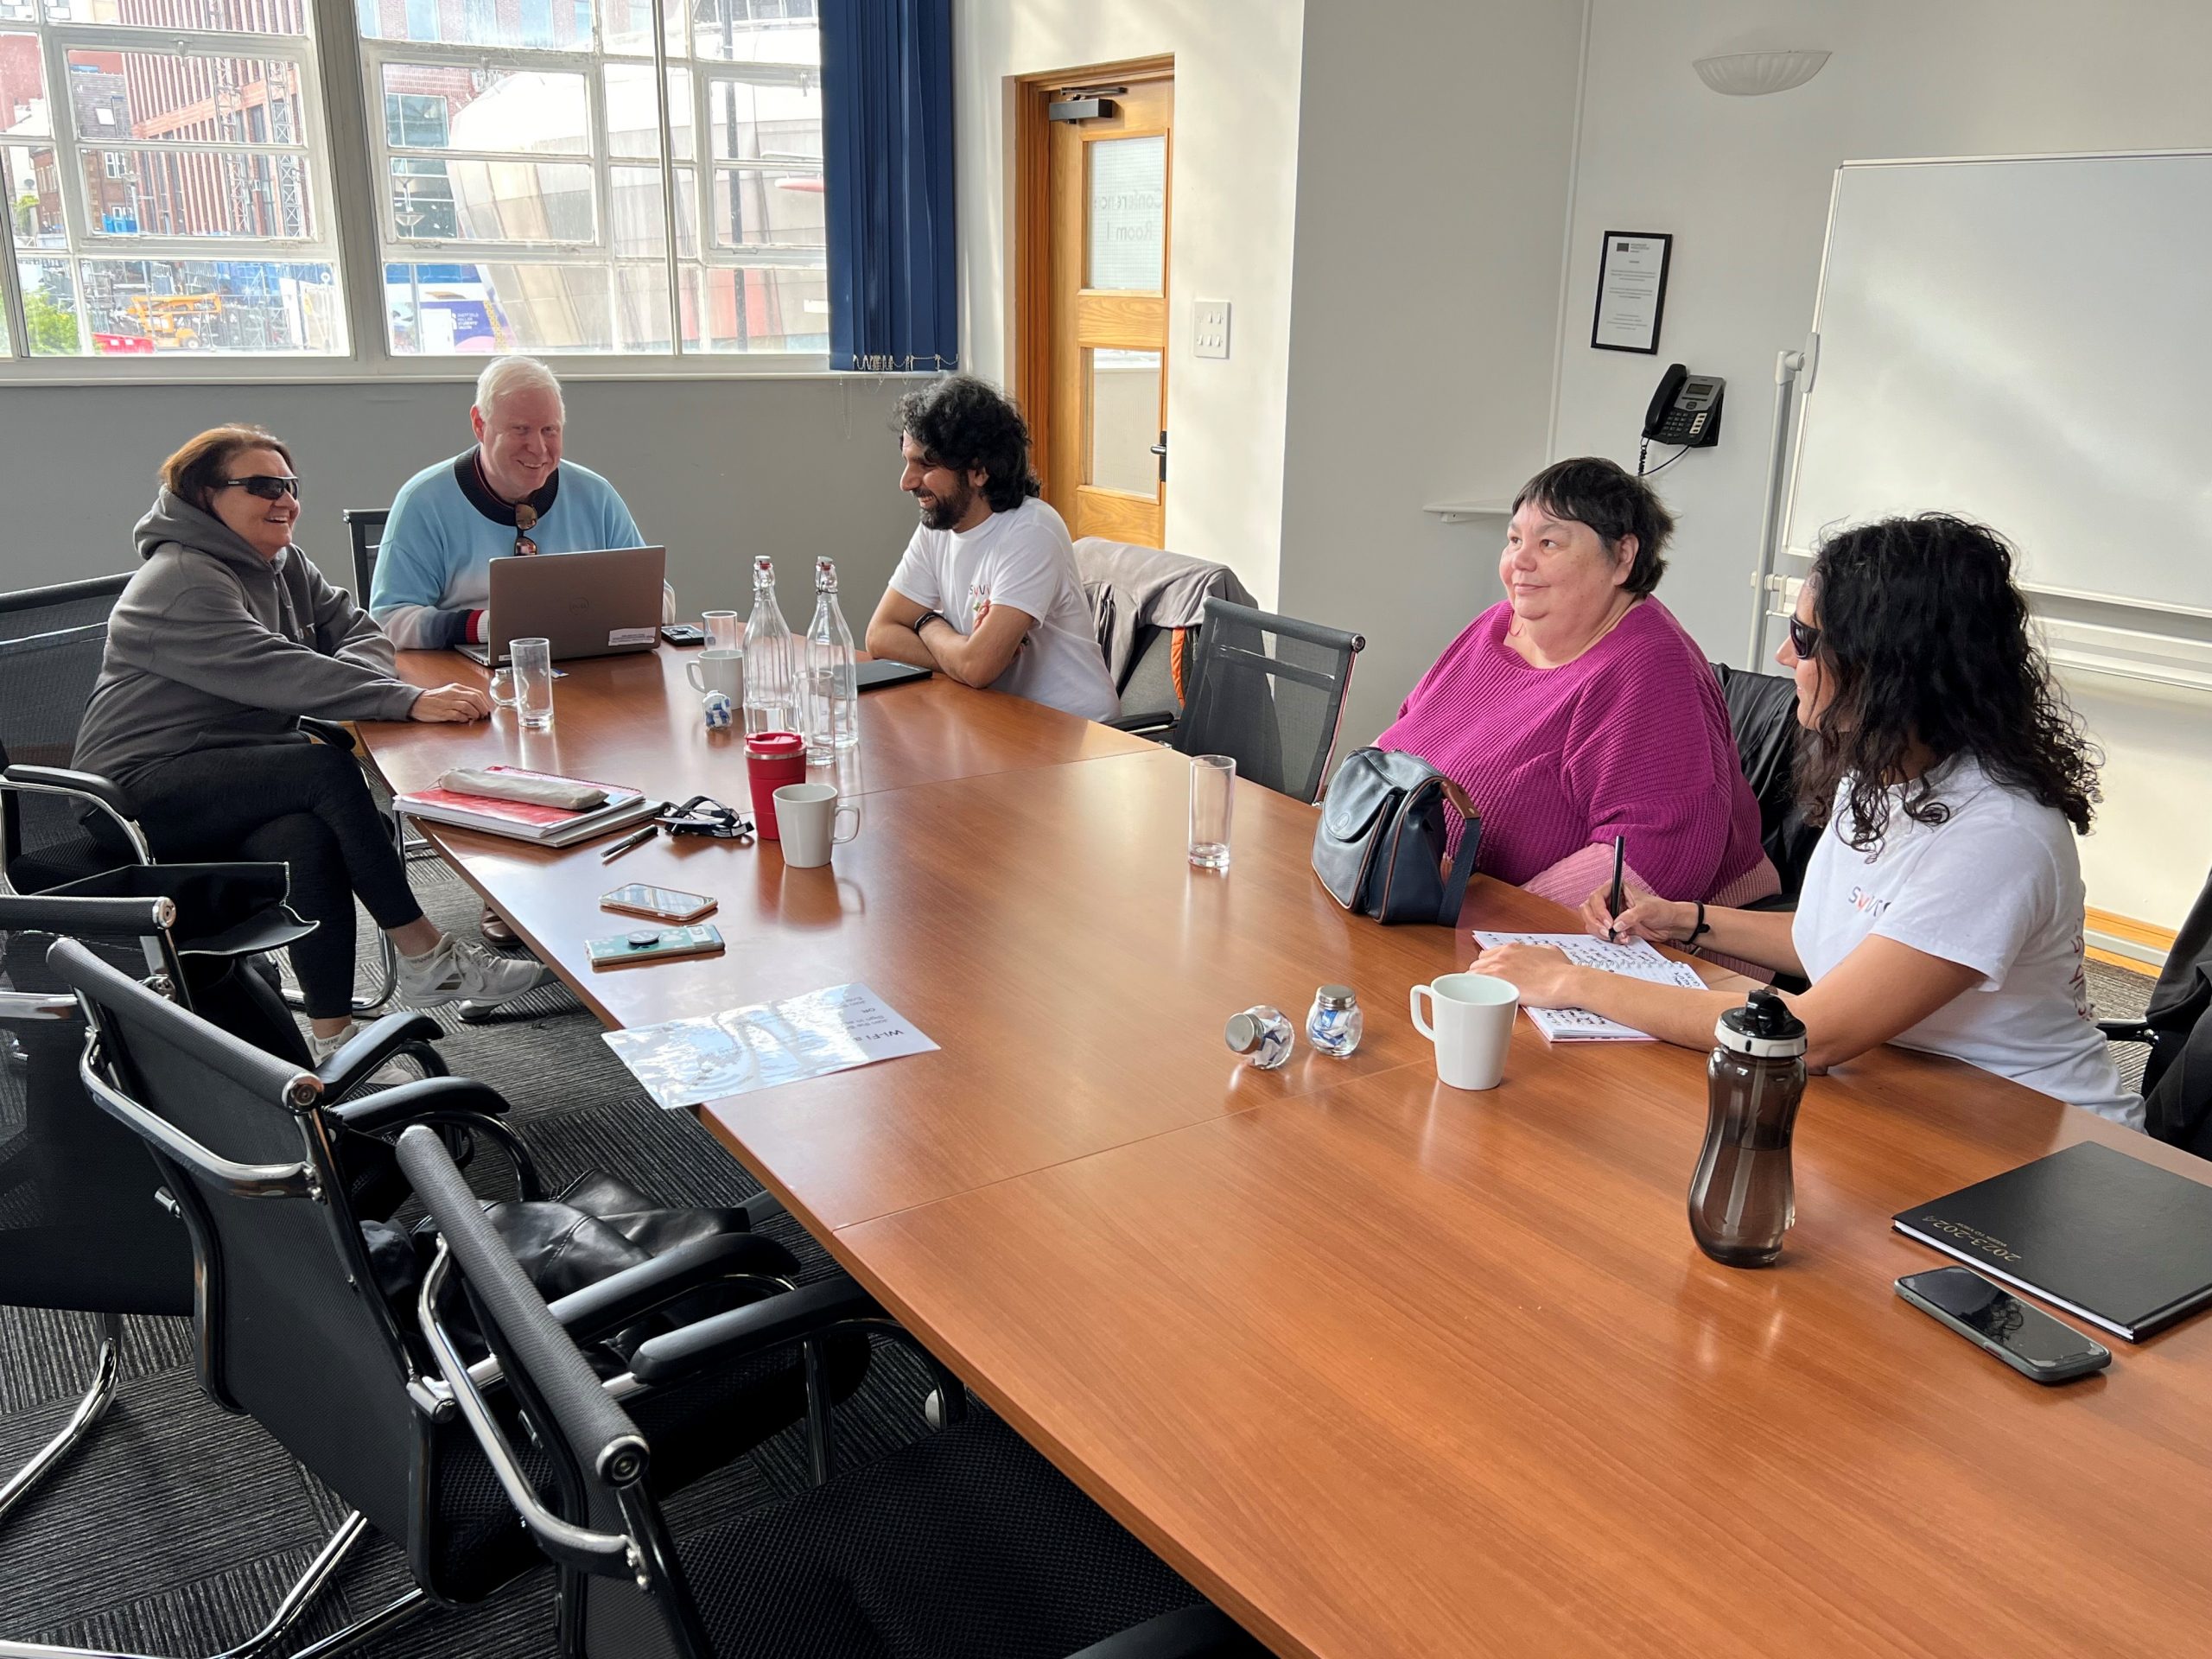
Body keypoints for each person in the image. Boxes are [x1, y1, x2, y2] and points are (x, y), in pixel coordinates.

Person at [1471, 514, 2139, 1125]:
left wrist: (1572, 980)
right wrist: (1686, 918)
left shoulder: (2000, 836)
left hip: (2033, 1136)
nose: (1786, 659)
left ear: (1888, 666)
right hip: (1907, 1092)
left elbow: (1812, 1032)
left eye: (1805, 638)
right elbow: (1843, 936)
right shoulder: (1880, 769)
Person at [74, 425, 549, 1065]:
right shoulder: (182, 580)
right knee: (322, 768)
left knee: (304, 837)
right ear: (203, 496)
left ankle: (334, 1042)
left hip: (238, 774)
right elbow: (281, 670)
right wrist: (407, 699)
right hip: (139, 788)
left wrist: (356, 672)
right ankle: (425, 953)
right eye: (263, 486)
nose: (286, 500)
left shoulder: (284, 563)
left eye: (291, 486)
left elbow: (361, 631)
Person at [1377, 456, 1777, 917]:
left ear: (1623, 557)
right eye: (1513, 540)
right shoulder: (1494, 626)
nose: (1518, 562)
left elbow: (1651, 861)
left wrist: (1483, 918)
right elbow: (1403, 736)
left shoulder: (1649, 666)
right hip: (1420, 901)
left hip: (1609, 944)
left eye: (1548, 543)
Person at [863, 375, 1120, 723]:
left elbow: (978, 667)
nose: (906, 481)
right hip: (1002, 718)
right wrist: (960, 653)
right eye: (907, 461)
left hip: (1077, 731)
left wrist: (925, 623)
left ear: (979, 471)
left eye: (925, 465)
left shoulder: (1031, 531)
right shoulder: (939, 525)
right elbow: (880, 635)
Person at [367, 354, 666, 652]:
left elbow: (660, 601)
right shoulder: (423, 501)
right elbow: (389, 622)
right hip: (467, 682)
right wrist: (488, 627)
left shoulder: (596, 496)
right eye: (520, 429)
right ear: (479, 424)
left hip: (589, 673)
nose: (538, 448)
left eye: (550, 430)